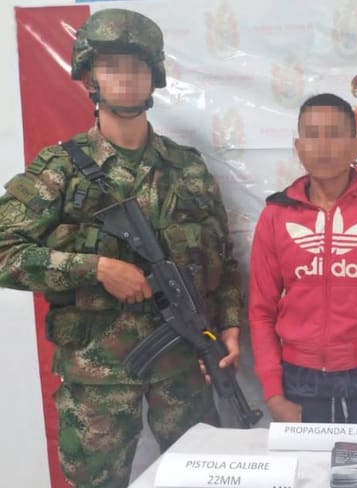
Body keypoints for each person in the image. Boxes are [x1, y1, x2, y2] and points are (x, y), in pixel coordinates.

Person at [0, 9, 242, 487]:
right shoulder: (60, 169)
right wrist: (95, 268)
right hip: (97, 378)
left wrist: (229, 324)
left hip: (184, 369)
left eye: (137, 66)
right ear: (90, 77)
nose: (126, 78)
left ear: (155, 75)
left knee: (201, 478)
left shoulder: (187, 168)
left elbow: (222, 258)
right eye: (111, 66)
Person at [248, 93, 357, 430]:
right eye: (312, 135)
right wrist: (273, 396)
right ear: (298, 147)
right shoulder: (275, 216)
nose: (323, 146)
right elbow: (261, 311)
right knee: (304, 466)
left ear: (356, 146)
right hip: (297, 381)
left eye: (335, 134)